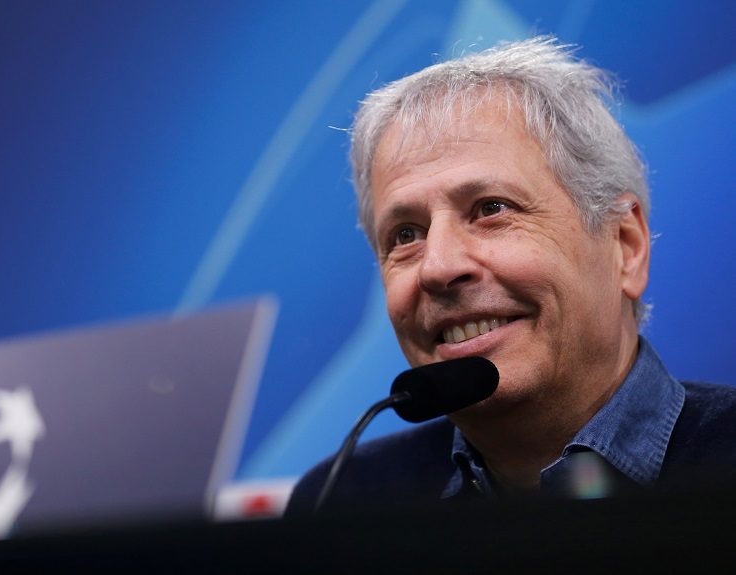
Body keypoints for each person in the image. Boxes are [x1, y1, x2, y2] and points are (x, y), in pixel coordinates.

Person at [286, 37, 736, 514]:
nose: (438, 267)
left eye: (491, 209)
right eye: (406, 235)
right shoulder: (340, 503)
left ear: (626, 246)